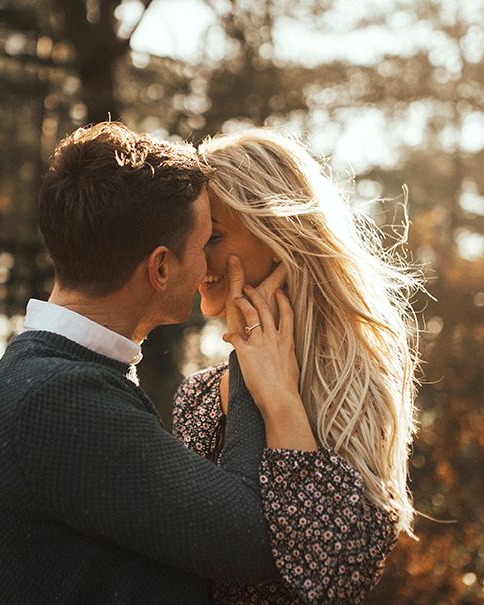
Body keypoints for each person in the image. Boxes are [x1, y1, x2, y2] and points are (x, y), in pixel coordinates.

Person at [0, 121, 331, 605]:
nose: (207, 269)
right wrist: (253, 361)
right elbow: (259, 538)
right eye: (203, 245)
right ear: (160, 267)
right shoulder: (59, 401)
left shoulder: (48, 376)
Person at [173, 128, 422, 604]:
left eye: (214, 237)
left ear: (278, 236)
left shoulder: (354, 387)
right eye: (190, 237)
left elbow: (331, 577)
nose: (194, 257)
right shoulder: (199, 397)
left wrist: (279, 400)